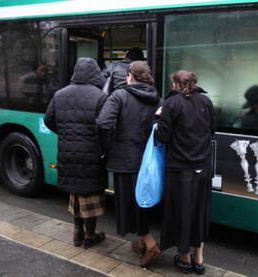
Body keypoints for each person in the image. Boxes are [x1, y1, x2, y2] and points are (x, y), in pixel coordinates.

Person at [96, 61, 161, 267]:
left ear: (131, 76)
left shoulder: (120, 95)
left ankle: (150, 244)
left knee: (130, 206)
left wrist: (108, 146)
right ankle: (141, 244)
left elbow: (103, 123)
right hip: (148, 161)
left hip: (125, 160)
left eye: (127, 74)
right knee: (142, 202)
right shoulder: (157, 99)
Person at [155, 70, 216, 275]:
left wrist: (157, 121)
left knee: (183, 213)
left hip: (180, 169)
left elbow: (163, 137)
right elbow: (212, 131)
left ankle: (184, 257)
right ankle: (199, 259)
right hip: (203, 168)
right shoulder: (206, 102)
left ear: (174, 85)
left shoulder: (171, 104)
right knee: (200, 212)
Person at [44, 58, 107, 249]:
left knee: (76, 194)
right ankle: (89, 237)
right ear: (95, 74)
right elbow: (105, 127)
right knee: (91, 196)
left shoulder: (60, 94)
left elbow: (48, 120)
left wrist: (65, 133)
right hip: (91, 154)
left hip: (67, 153)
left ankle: (77, 234)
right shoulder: (100, 96)